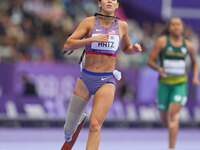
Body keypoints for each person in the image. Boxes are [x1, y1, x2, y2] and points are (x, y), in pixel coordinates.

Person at [61, 0, 142, 150]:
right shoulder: (89, 22)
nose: (110, 1)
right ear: (99, 3)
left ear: (117, 5)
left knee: (95, 125)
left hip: (107, 80)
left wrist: (133, 50)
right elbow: (68, 45)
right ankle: (71, 131)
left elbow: (126, 48)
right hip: (85, 79)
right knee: (68, 130)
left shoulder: (122, 26)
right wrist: (92, 39)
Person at [148, 17, 199, 150]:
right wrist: (159, 69)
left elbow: (194, 62)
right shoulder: (162, 42)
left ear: (182, 28)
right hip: (164, 84)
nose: (176, 27)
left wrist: (195, 77)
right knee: (165, 120)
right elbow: (150, 61)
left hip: (180, 84)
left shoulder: (188, 45)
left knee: (173, 114)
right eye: (173, 25)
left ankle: (171, 147)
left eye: (178, 25)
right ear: (169, 28)